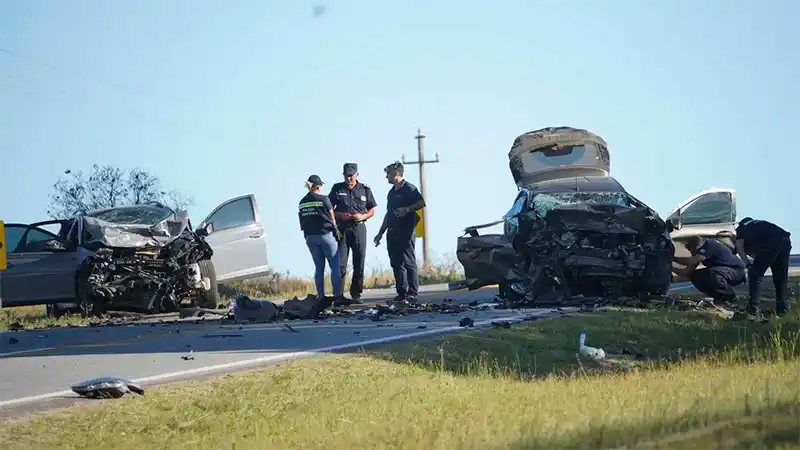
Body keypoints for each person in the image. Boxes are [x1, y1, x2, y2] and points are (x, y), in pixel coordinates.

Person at [373, 161, 426, 304]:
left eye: (388, 175)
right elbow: (388, 214)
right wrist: (380, 233)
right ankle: (401, 293)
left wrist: (406, 210)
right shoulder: (391, 193)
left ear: (396, 174)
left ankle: (412, 292)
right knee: (396, 263)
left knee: (408, 261)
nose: (386, 178)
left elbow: (421, 203)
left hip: (406, 230)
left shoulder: (409, 188)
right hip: (392, 231)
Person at [328, 162, 377, 305]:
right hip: (342, 229)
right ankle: (339, 296)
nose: (349, 179)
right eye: (346, 176)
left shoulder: (365, 190)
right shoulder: (337, 189)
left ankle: (356, 294)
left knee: (359, 262)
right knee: (340, 264)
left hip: (359, 228)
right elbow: (329, 209)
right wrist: (340, 216)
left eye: (351, 176)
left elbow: (372, 210)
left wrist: (362, 217)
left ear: (357, 175)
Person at [298, 174, 344, 312]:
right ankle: (337, 295)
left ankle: (321, 295)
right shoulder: (324, 199)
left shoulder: (302, 202)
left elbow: (301, 222)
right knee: (335, 265)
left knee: (319, 267)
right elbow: (332, 218)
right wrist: (336, 231)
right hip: (326, 235)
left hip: (310, 237)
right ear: (318, 186)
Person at [734, 217, 792, 317]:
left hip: (769, 244)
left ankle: (753, 308)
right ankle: (782, 310)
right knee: (781, 278)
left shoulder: (742, 228)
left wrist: (747, 264)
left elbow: (739, 247)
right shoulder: (759, 225)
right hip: (785, 240)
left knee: (755, 275)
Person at [673, 236, 746, 306]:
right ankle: (719, 297)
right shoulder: (700, 252)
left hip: (736, 272)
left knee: (711, 273)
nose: (691, 253)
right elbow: (686, 272)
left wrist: (672, 258)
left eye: (691, 250)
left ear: (697, 247)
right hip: (724, 272)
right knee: (695, 275)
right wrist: (669, 267)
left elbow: (690, 261)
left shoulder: (709, 246)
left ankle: (730, 297)